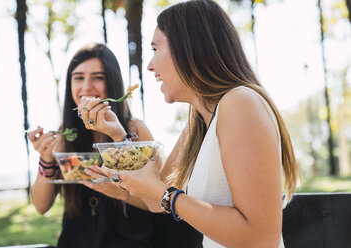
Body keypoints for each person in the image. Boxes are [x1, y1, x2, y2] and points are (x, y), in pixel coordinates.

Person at [92, 1, 299, 247]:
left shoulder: (239, 102)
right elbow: (154, 199)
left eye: (155, 49)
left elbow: (261, 237)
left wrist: (165, 196)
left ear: (187, 48)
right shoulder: (199, 121)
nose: (149, 65)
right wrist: (119, 136)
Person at [29, 43, 202, 248]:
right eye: (78, 77)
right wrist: (47, 159)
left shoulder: (133, 129)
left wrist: (121, 193)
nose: (86, 87)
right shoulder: (65, 133)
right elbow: (41, 206)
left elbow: (159, 200)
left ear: (112, 82)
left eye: (98, 77)